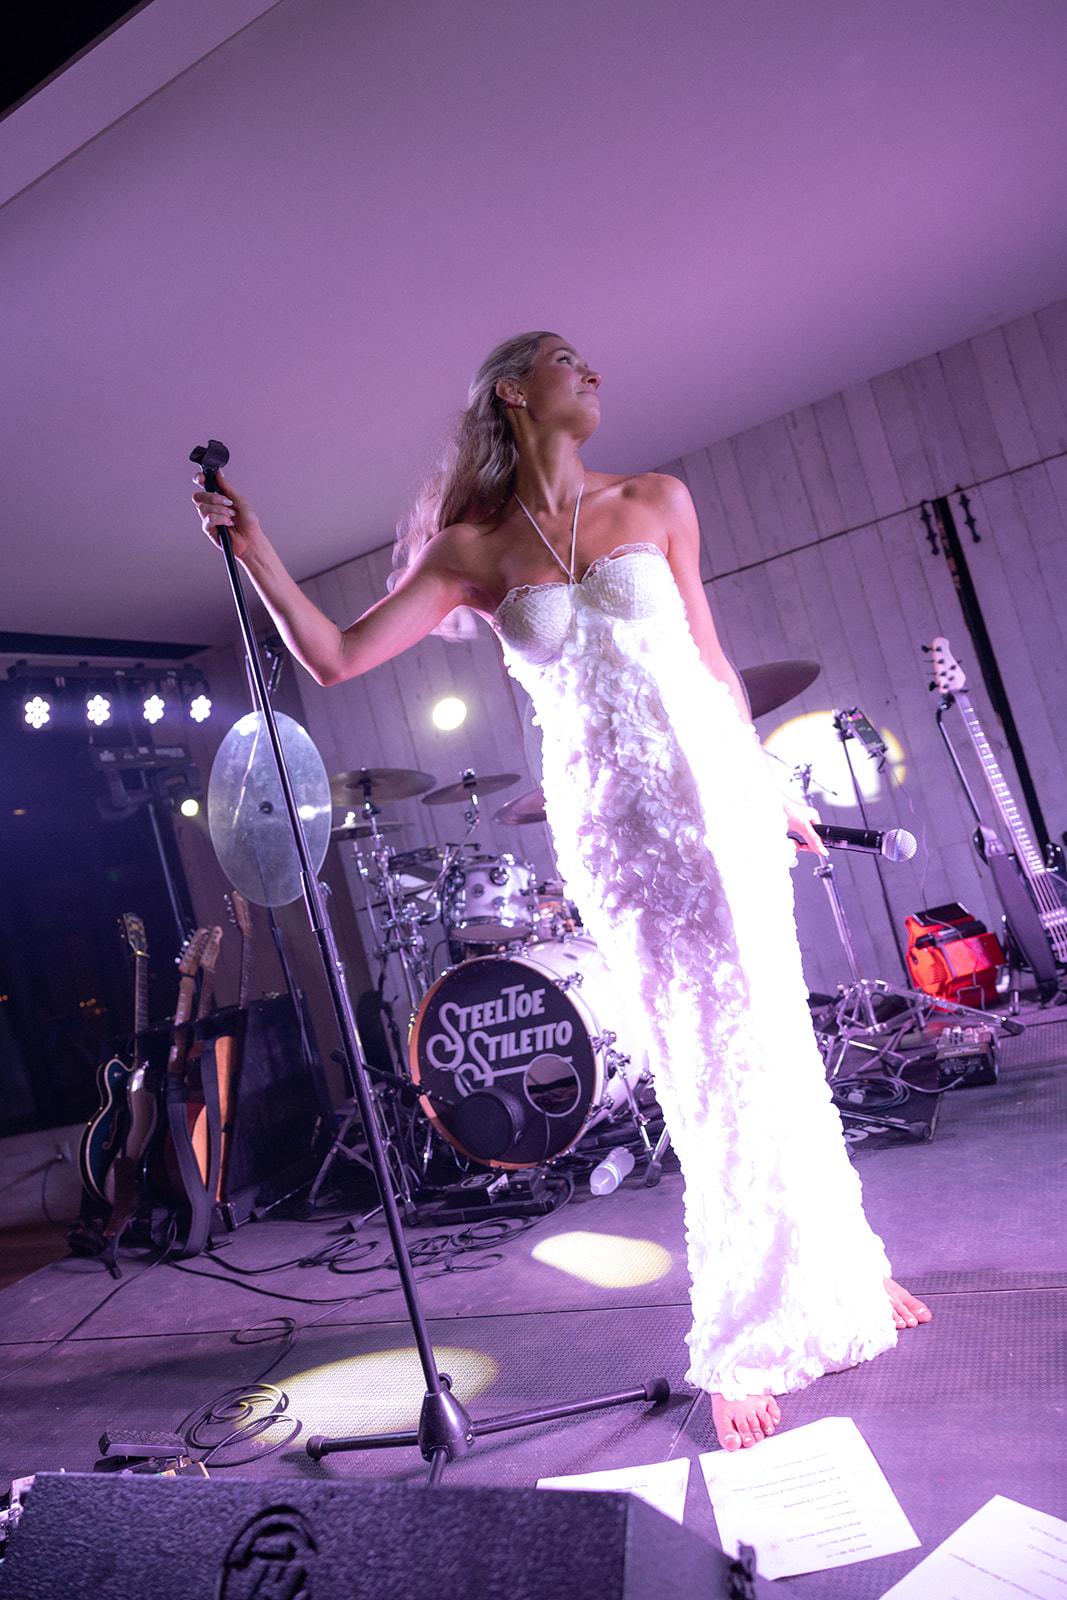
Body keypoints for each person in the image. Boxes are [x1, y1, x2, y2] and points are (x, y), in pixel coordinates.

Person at [194, 330, 930, 1452]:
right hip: (616, 827)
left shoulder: (656, 498)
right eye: (567, 360)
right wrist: (254, 549)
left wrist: (763, 780)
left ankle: (845, 1272)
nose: (593, 372)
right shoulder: (473, 550)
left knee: (772, 1040)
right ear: (513, 388)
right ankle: (740, 1334)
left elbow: (713, 664)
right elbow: (336, 658)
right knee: (700, 1063)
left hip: (713, 801)